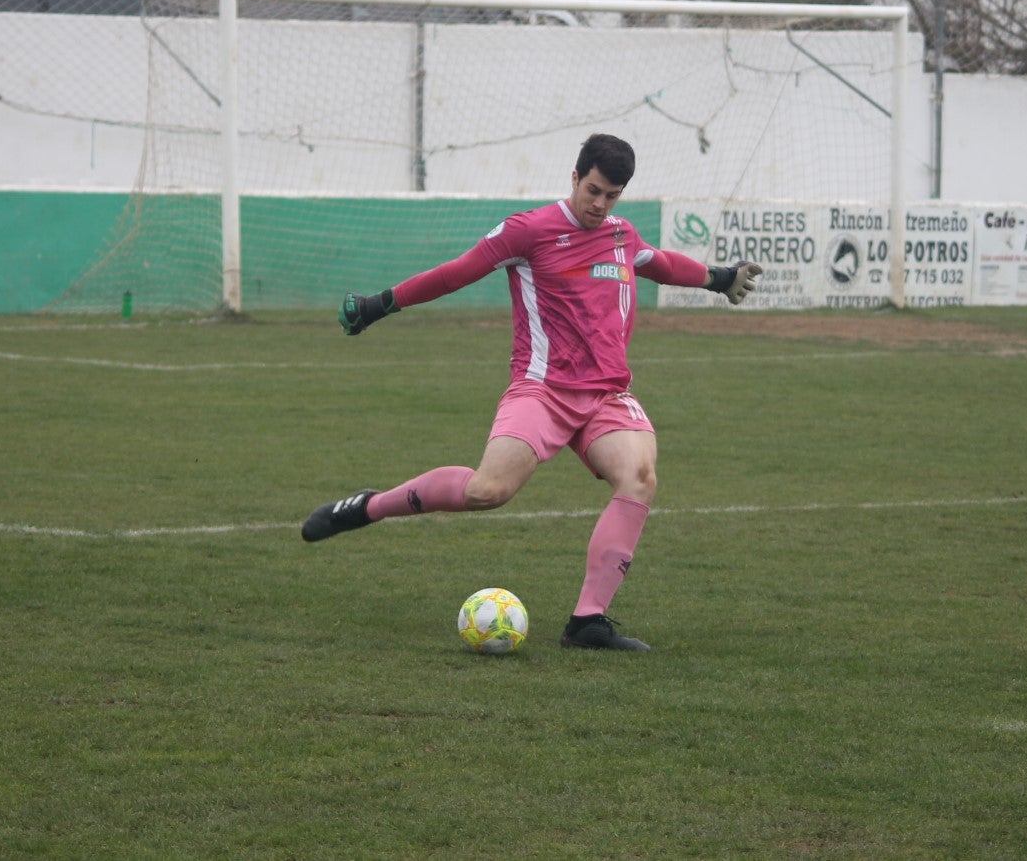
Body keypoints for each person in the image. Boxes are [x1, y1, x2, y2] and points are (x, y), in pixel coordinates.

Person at [301, 133, 762, 651]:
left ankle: (588, 622)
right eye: (592, 190)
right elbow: (456, 274)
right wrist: (379, 304)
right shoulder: (529, 231)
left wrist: (719, 278)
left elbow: (656, 261)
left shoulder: (621, 235)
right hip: (542, 389)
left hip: (607, 394)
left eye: (611, 196)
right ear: (574, 176)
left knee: (639, 478)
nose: (598, 204)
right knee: (487, 492)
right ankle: (369, 507)